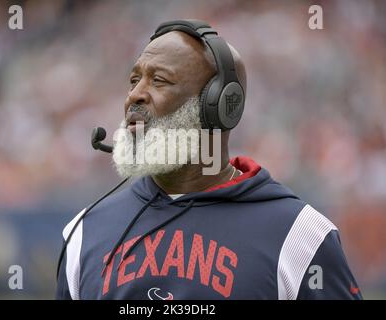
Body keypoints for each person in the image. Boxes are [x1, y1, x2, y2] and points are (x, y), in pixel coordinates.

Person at [56, 20, 362, 300]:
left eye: (159, 81)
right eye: (134, 80)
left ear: (218, 105)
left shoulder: (301, 236)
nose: (135, 95)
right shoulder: (84, 233)